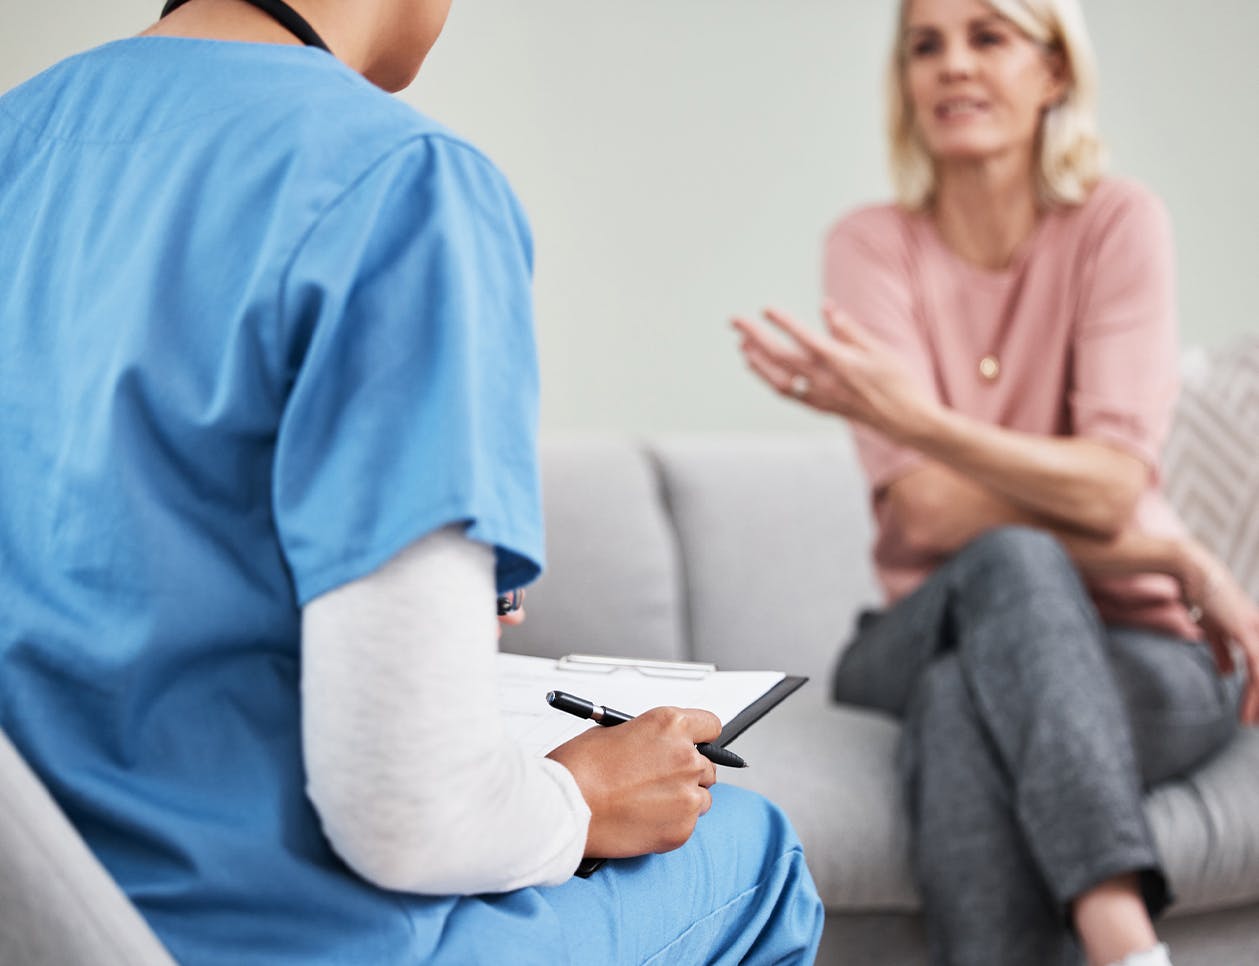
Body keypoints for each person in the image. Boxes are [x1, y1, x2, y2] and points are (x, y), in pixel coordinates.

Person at [0, 1, 824, 963]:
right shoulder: (398, 182)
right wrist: (579, 797)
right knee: (754, 852)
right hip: (273, 934)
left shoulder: (22, 135)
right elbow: (409, 815)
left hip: (38, 919)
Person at [733, 0, 1258, 964]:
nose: (951, 66)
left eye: (988, 36)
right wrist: (1170, 548)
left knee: (960, 710)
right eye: (923, 46)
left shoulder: (1117, 223)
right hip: (935, 613)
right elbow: (927, 508)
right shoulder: (871, 245)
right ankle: (1124, 939)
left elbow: (1108, 483)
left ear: (1055, 70)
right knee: (1009, 561)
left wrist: (920, 422)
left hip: (1141, 644)